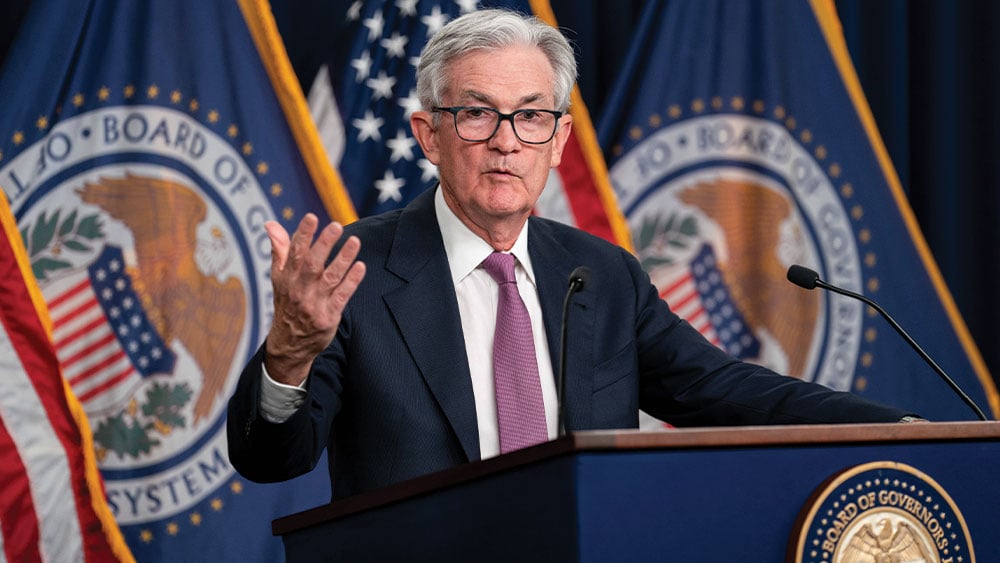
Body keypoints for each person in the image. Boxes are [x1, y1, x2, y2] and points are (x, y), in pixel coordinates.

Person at [226, 8, 915, 499]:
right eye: (477, 113)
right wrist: (289, 356)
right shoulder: (354, 272)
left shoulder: (605, 276)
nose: (506, 141)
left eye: (530, 116)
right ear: (429, 135)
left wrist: (903, 429)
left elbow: (728, 393)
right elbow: (270, 459)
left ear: (557, 141)